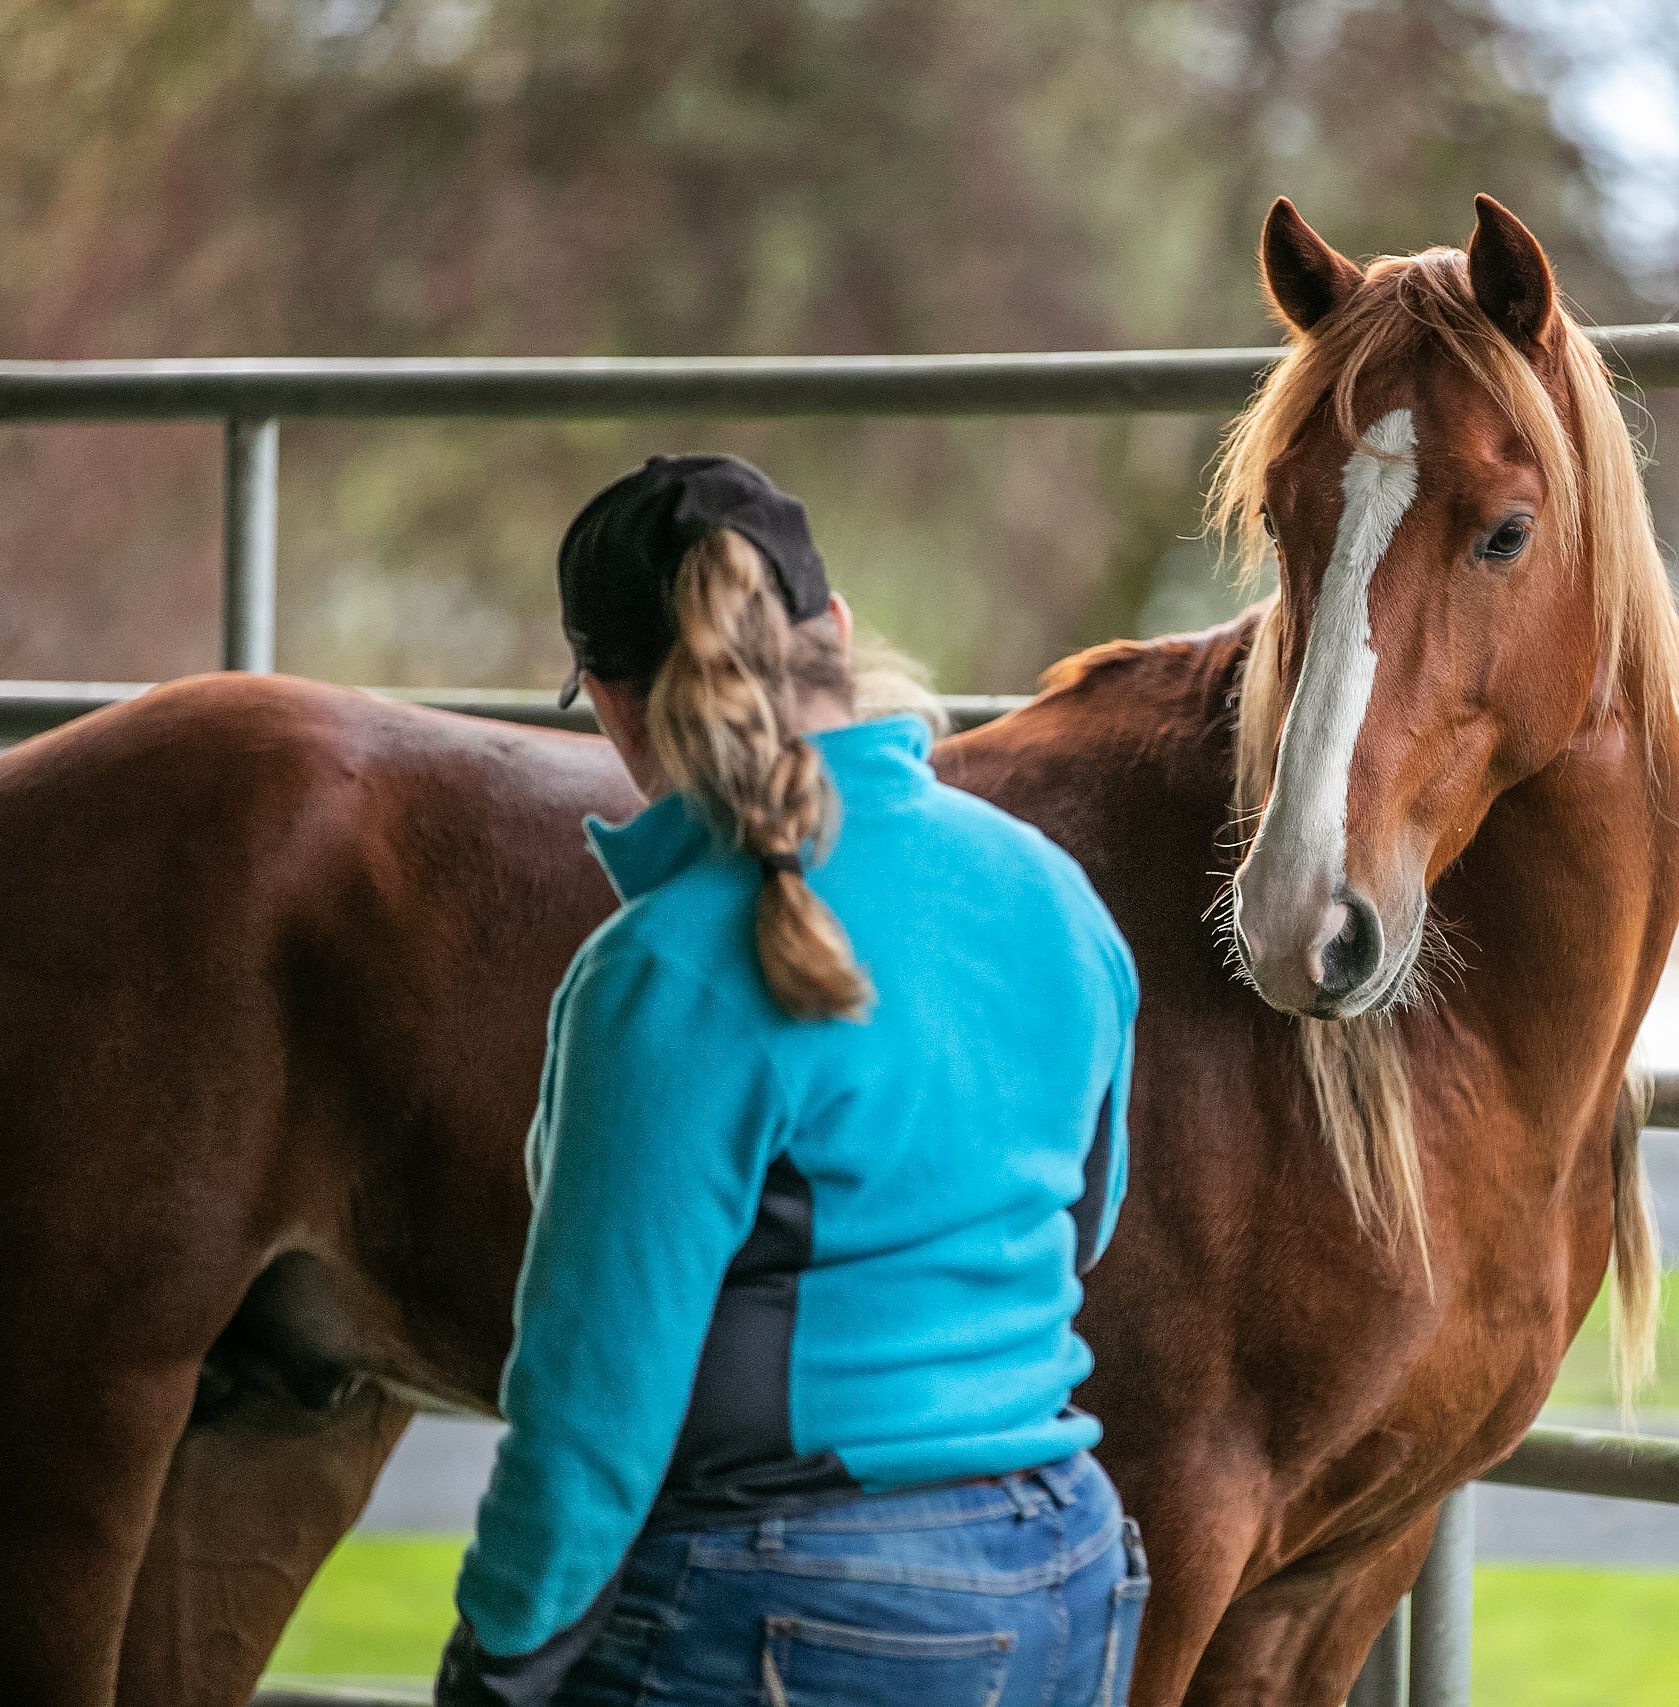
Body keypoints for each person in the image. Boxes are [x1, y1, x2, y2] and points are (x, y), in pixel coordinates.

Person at [435, 454, 1146, 1707]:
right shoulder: (1051, 890)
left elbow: (595, 1405)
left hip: (791, 1602)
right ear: (841, 635)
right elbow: (1081, 1227)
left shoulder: (665, 969)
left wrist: (495, 1658)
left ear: (612, 702)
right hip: (1068, 1568)